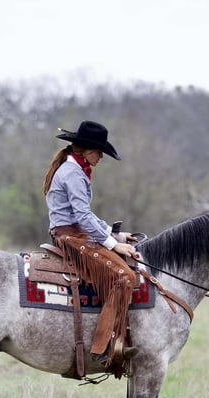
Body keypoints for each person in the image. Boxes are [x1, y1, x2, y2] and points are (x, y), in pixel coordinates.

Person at [43, 120, 139, 367]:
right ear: (88, 151)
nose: (101, 158)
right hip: (70, 238)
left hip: (76, 233)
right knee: (125, 277)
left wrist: (112, 233)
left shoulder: (73, 169)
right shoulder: (73, 173)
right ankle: (103, 347)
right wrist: (113, 244)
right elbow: (83, 217)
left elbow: (85, 215)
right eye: (100, 152)